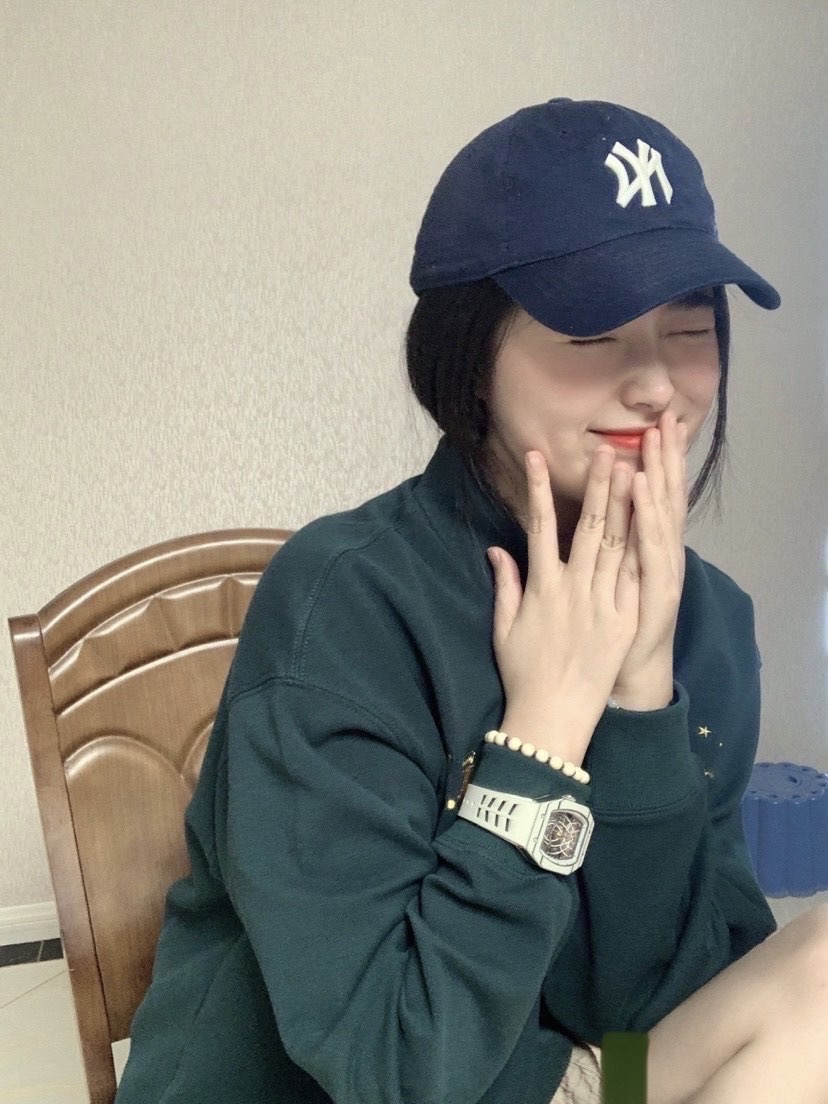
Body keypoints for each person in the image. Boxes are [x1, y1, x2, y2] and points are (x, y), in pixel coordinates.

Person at [115, 98, 828, 1104]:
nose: (659, 387)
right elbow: (400, 1070)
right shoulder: (345, 604)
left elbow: (654, 1009)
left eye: (689, 328)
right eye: (593, 334)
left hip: (575, 1081)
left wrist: (639, 696)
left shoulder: (706, 620)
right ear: (470, 358)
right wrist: (543, 733)